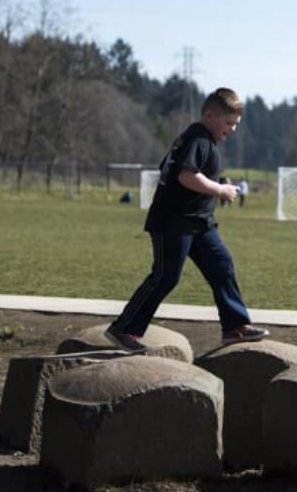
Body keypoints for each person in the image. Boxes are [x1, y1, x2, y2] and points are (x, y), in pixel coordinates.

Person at [107, 87, 268, 353]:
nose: (233, 129)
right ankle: (124, 329)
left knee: (221, 265)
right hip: (173, 221)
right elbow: (185, 175)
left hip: (199, 223)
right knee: (165, 276)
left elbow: (168, 167)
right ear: (209, 115)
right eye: (228, 123)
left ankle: (235, 327)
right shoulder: (198, 139)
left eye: (236, 124)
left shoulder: (199, 139)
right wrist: (220, 189)